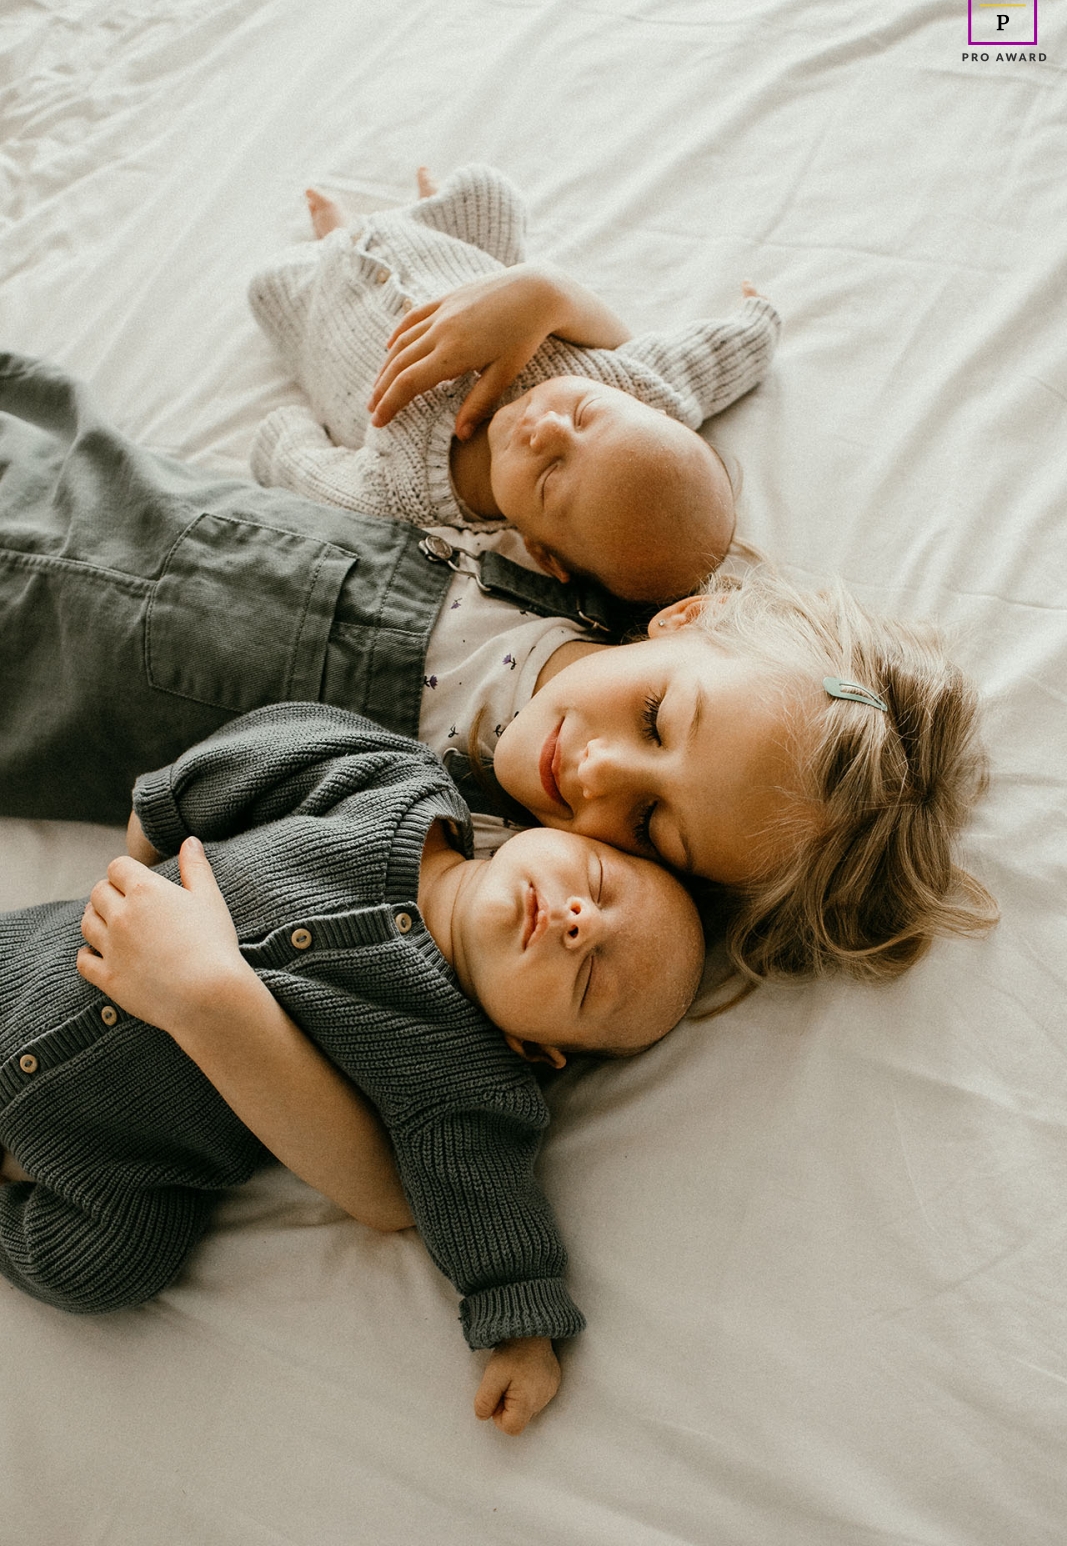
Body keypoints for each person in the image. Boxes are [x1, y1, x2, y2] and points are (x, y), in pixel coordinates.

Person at [0, 318, 993, 991]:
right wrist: (538, 297)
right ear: (684, 619)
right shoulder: (576, 559)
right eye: (655, 718)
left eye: (651, 824)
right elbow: (605, 395)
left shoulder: (469, 857)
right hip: (65, 482)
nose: (600, 772)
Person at [0, 702, 704, 1436]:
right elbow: (272, 748)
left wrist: (522, 1329)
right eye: (595, 879)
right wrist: (152, 839)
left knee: (106, 1269)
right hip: (34, 966)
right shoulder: (397, 786)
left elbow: (485, 1200)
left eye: (590, 981)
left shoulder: (463, 1072)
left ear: (537, 1048)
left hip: (119, 1163)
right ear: (545, 834)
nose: (579, 922)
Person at [247, 164, 781, 603]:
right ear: (648, 409)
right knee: (487, 191)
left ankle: (335, 235)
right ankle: (422, 214)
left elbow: (299, 466)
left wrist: (289, 432)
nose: (546, 427)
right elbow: (709, 362)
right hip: (456, 259)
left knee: (268, 287)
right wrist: (758, 321)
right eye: (584, 415)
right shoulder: (633, 387)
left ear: (542, 553)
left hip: (327, 307)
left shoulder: (404, 496)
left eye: (549, 477)